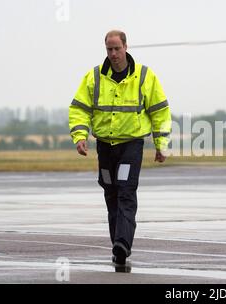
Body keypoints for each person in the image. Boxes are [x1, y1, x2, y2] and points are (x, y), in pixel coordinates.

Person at [68, 30, 171, 265]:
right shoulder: (94, 77)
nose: (113, 54)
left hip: (130, 146)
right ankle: (117, 244)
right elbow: (79, 108)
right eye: (109, 49)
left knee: (125, 191)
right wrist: (79, 136)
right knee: (110, 192)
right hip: (104, 147)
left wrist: (161, 144)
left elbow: (160, 111)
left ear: (126, 47)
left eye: (117, 48)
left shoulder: (144, 76)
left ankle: (123, 243)